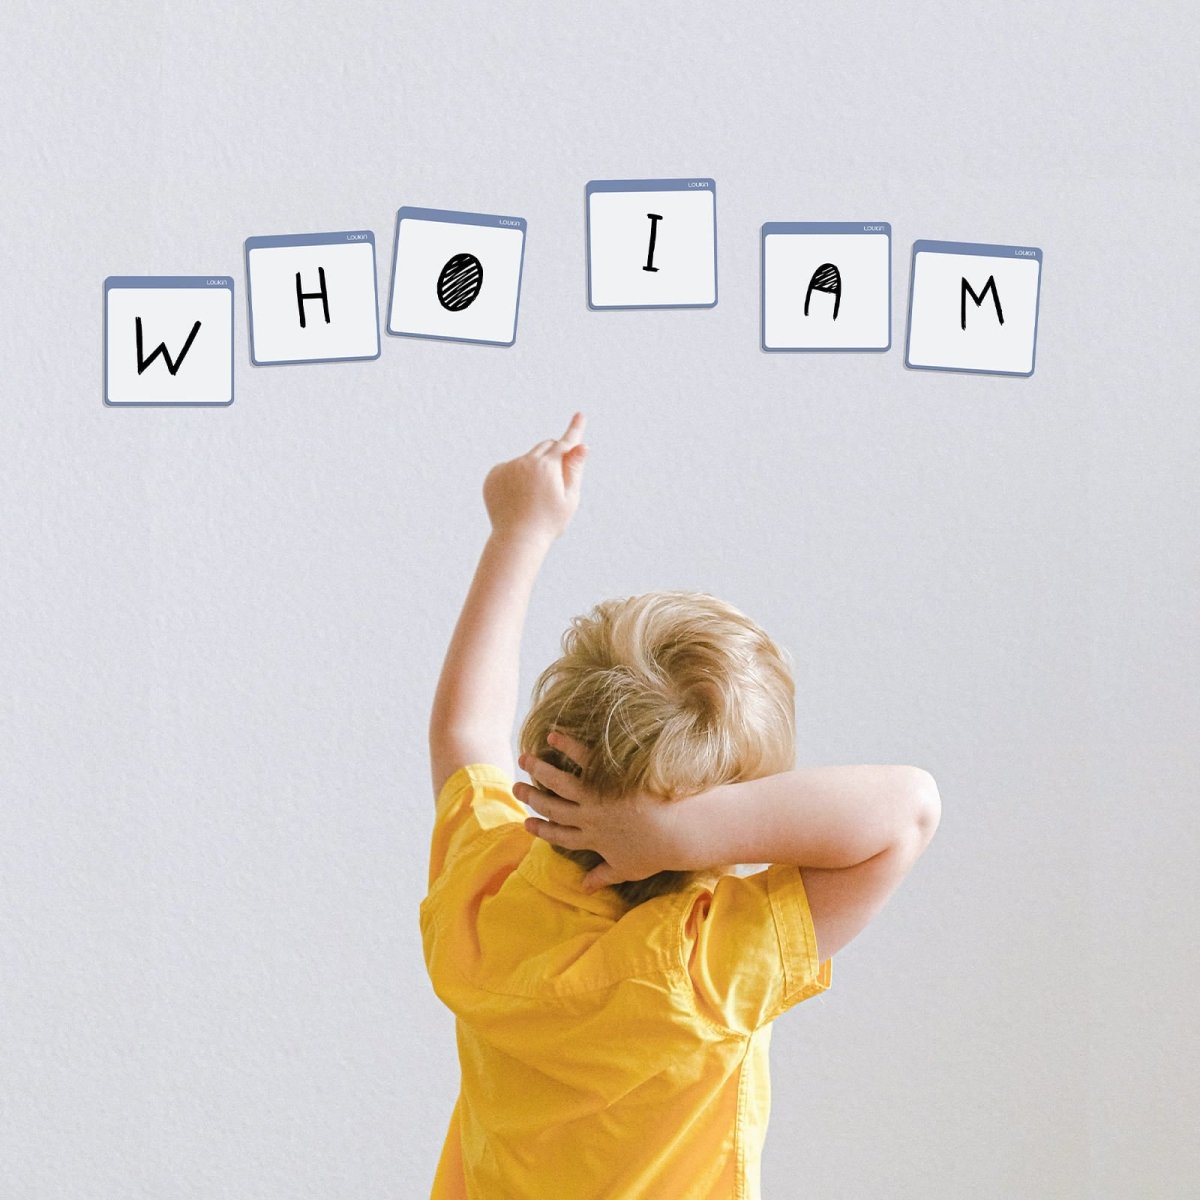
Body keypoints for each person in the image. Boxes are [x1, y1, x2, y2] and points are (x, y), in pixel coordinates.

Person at [423, 412, 941, 1199]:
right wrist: (673, 832)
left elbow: (465, 728)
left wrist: (517, 534)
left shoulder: (485, 895)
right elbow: (908, 808)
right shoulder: (703, 967)